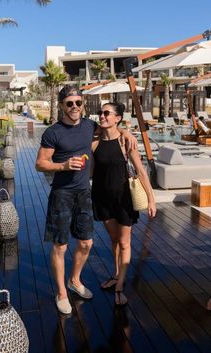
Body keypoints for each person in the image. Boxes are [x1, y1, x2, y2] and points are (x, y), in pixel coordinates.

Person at [35, 85, 135, 315]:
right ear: (62, 105)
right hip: (61, 194)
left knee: (86, 243)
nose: (74, 107)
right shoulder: (53, 132)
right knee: (60, 246)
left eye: (78, 103)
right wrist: (62, 165)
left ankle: (75, 280)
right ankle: (61, 292)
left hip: (83, 193)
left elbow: (113, 129)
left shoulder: (90, 126)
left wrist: (128, 132)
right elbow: (40, 163)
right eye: (69, 103)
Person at [91, 102, 156, 306]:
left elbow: (141, 172)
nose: (102, 116)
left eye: (107, 113)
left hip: (124, 199)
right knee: (114, 239)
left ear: (117, 118)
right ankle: (117, 274)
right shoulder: (94, 142)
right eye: (101, 113)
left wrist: (151, 199)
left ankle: (120, 286)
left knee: (125, 242)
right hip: (101, 197)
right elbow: (91, 171)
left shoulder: (125, 142)